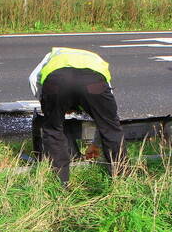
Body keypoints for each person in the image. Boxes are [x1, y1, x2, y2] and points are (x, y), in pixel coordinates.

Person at [29, 47, 125, 185]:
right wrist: (95, 144)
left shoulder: (53, 54)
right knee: (111, 127)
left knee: (53, 129)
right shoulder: (94, 58)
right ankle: (122, 176)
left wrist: (48, 105)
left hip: (57, 82)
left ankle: (61, 182)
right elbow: (107, 120)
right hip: (93, 81)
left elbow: (32, 78)